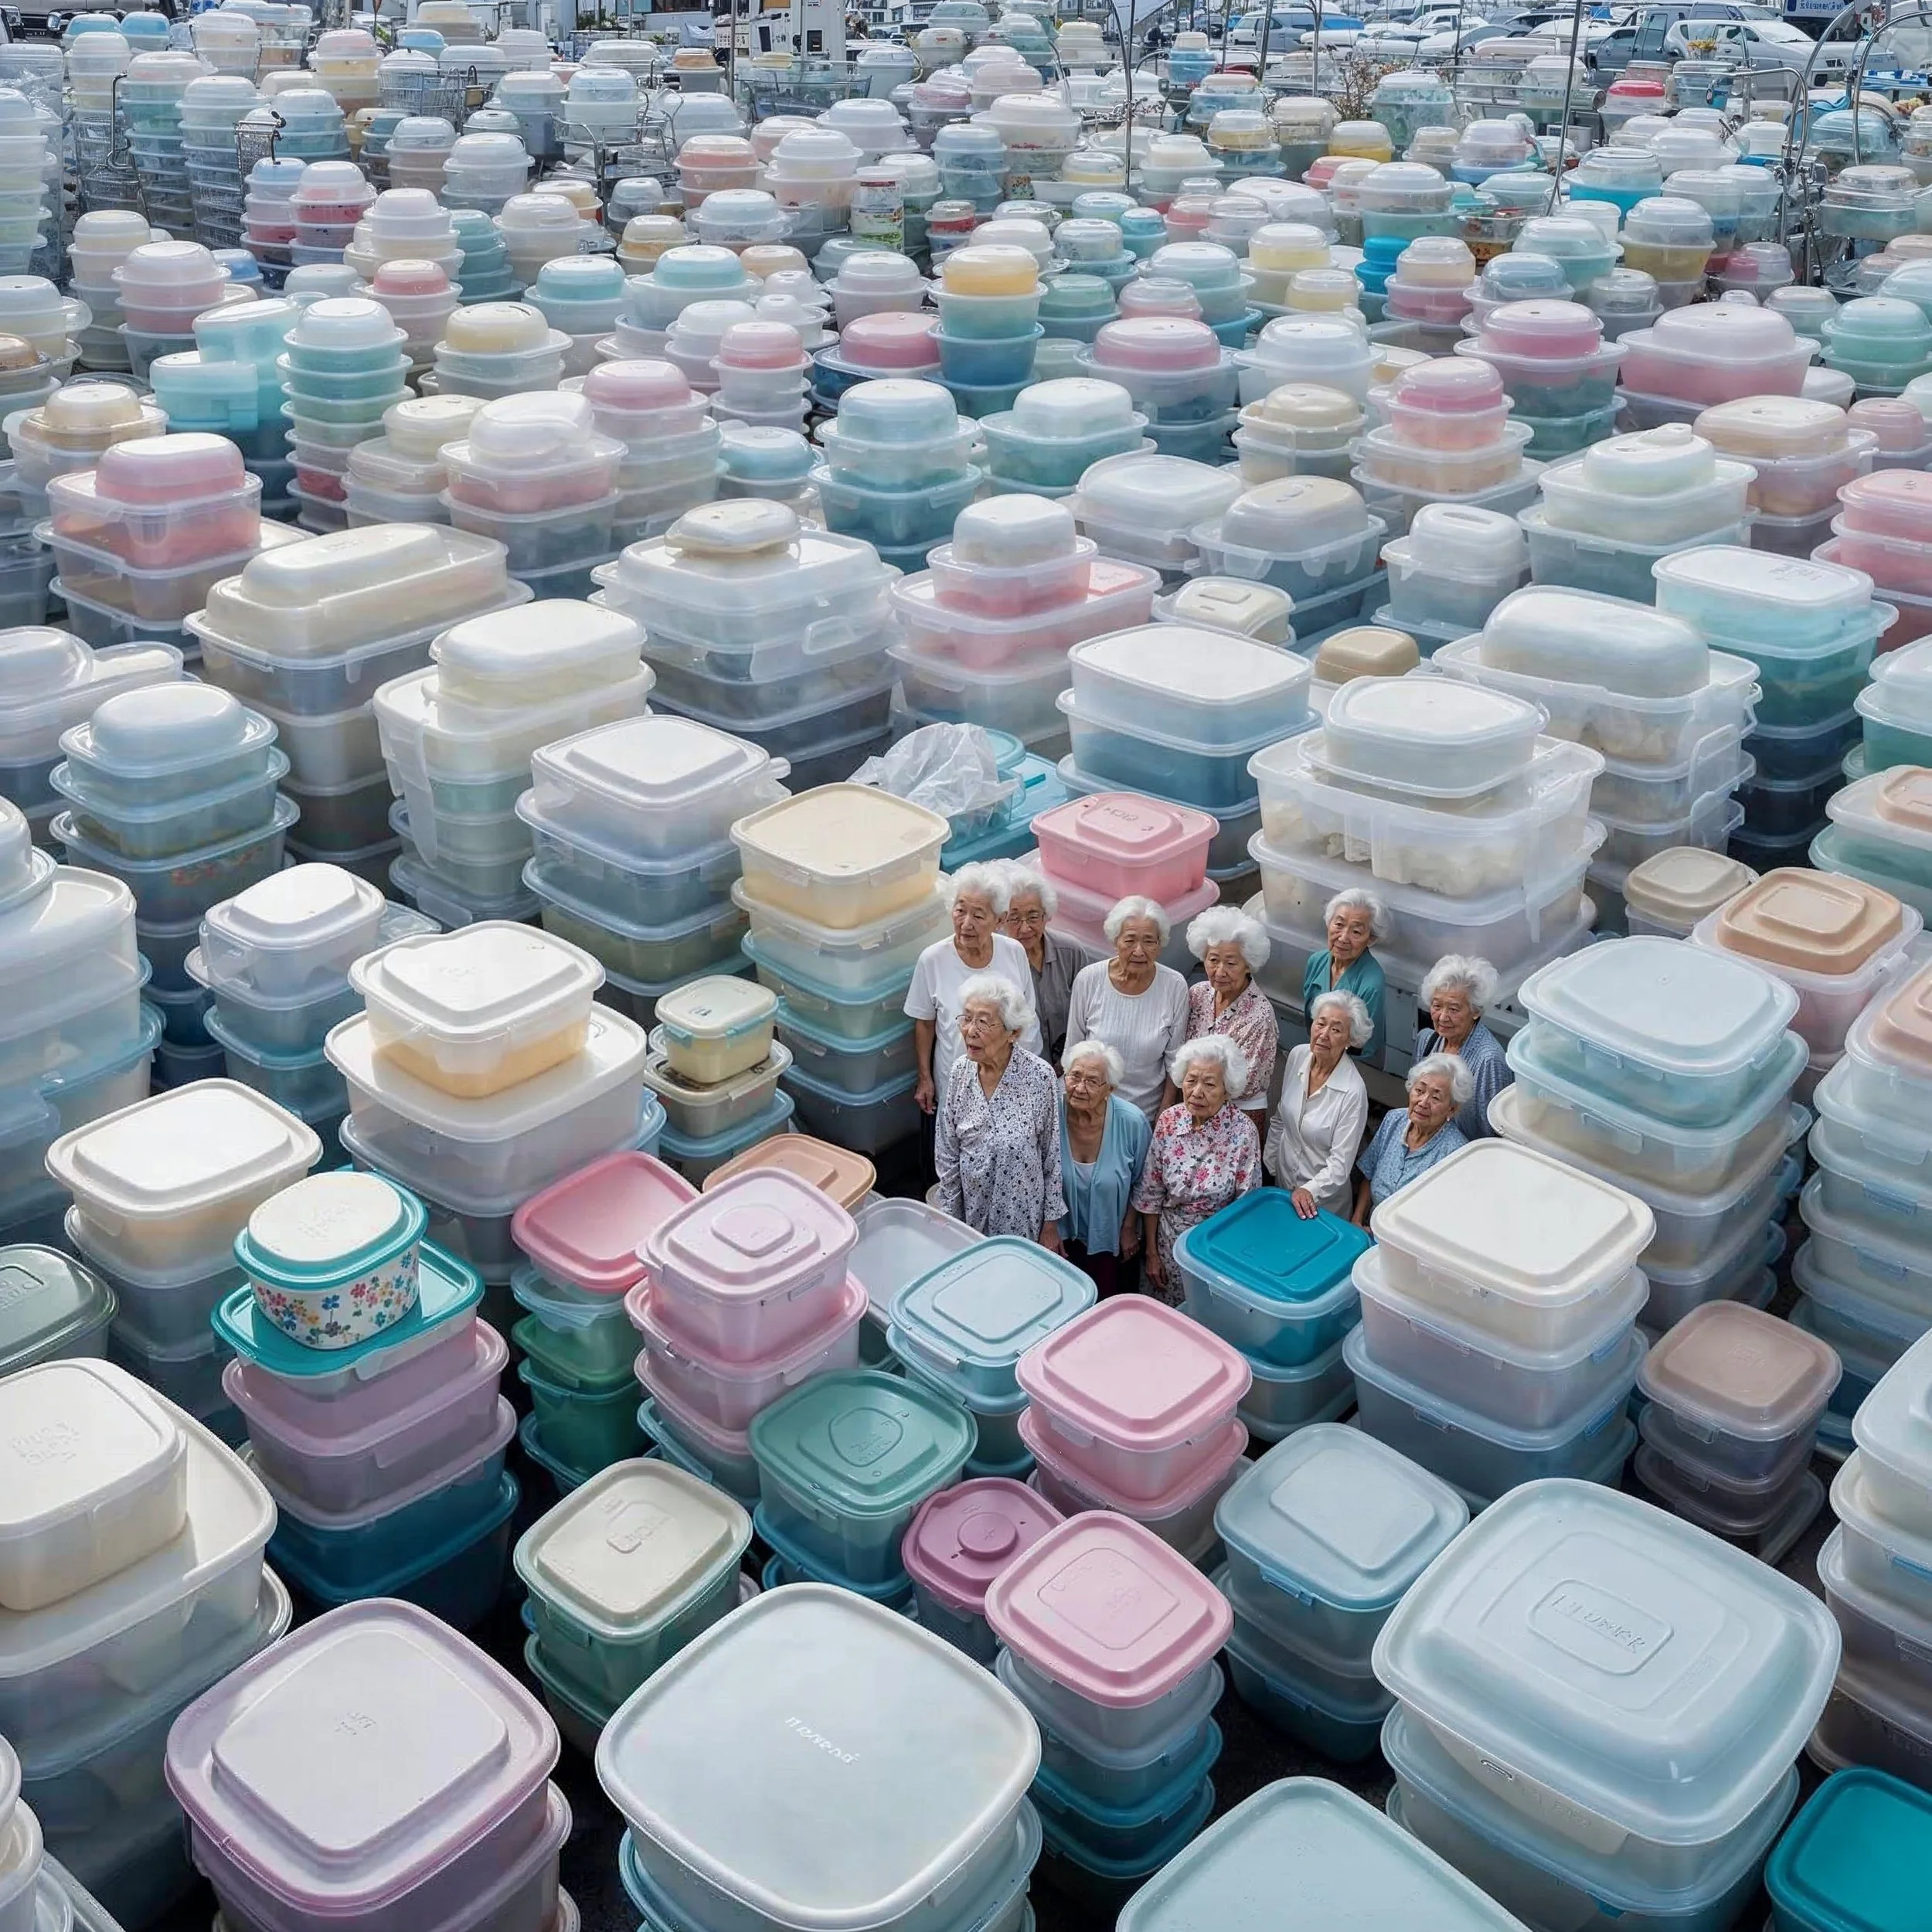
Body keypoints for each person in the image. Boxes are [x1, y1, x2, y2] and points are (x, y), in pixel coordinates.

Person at [933, 974, 1066, 1246]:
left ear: (1013, 1033)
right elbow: (947, 1150)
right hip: (969, 1213)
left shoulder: (1039, 1076)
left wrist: (1051, 1224)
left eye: (982, 1022)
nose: (970, 1030)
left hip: (1022, 1217)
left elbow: (1052, 1154)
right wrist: (950, 1216)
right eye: (966, 1018)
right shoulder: (960, 1071)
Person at [1134, 1035, 1263, 1303]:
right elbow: (1151, 1192)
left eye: (1210, 1084)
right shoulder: (1169, 1121)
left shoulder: (1244, 1133)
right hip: (1167, 1246)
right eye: (1191, 1081)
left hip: (1217, 1252)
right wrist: (1151, 1254)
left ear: (1228, 1089)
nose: (1197, 1092)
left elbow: (1246, 1208)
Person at [906, 862, 1039, 1121]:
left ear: (999, 920)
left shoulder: (1014, 952)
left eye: (978, 915)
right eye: (960, 911)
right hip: (956, 1082)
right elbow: (924, 1023)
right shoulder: (932, 960)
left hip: (1011, 1078)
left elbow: (1028, 1016)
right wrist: (925, 1078)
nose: (966, 923)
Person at [1063, 896, 1191, 1121]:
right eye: (1130, 940)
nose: (1139, 951)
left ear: (1160, 945)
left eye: (1149, 941)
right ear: (1115, 941)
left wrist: (1164, 1113)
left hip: (1146, 1114)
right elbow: (1073, 1050)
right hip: (1092, 1109)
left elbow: (1175, 1061)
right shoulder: (1089, 980)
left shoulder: (1175, 986)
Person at [1058, 1037, 1151, 1297]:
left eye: (1091, 1081)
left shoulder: (1132, 1122)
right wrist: (1050, 1227)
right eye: (1074, 1076)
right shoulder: (1050, 1114)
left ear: (1109, 1088)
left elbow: (1144, 1182)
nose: (1079, 1087)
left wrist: (1129, 1228)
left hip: (1112, 1240)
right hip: (1060, 1240)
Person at [1266, 989, 1372, 1219]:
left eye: (1336, 1030)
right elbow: (1280, 1119)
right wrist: (1271, 1166)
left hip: (1323, 1205)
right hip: (1282, 1186)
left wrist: (1308, 1190)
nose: (1324, 1034)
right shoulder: (1297, 1056)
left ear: (1351, 1040)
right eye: (1320, 1024)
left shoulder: (1353, 1091)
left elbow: (1340, 1165)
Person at [1184, 904, 1278, 1134]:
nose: (1220, 971)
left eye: (1231, 963)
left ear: (1248, 965)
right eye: (1213, 960)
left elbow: (1245, 1084)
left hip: (1236, 1118)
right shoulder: (1198, 993)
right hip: (1193, 1104)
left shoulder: (1260, 1015)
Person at [1353, 1052, 1471, 1224]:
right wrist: (1357, 1220)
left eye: (1436, 1097)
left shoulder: (1456, 1153)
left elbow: (1447, 1218)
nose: (1423, 1102)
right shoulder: (1394, 1120)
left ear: (1451, 1110)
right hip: (1371, 1228)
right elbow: (1369, 1175)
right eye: (1419, 1090)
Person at [1414, 954, 1509, 1141]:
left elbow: (1493, 1133)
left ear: (1476, 1011)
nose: (1442, 1017)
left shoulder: (1489, 1061)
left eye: (1454, 1009)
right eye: (1437, 1006)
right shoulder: (1426, 1041)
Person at [1000, 862, 1085, 1065]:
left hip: (1072, 1067)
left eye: (1033, 916)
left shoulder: (1070, 952)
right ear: (1001, 921)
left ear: (1046, 916)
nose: (1025, 928)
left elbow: (1090, 1013)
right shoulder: (998, 964)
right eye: (1014, 919)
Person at [1300, 887, 1388, 1063]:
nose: (1343, 938)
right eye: (1339, 925)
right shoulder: (1316, 961)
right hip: (1317, 1052)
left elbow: (1364, 1046)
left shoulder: (1372, 983)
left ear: (1371, 938)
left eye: (1356, 932)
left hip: (1352, 1063)